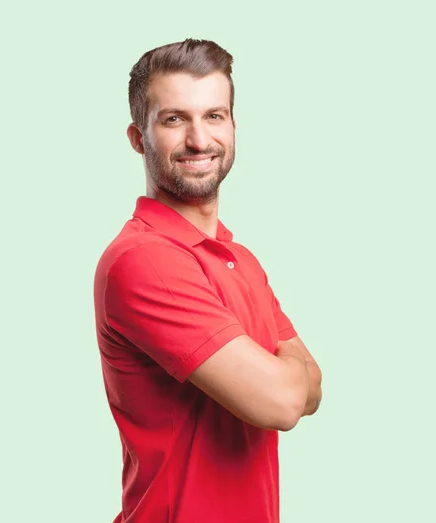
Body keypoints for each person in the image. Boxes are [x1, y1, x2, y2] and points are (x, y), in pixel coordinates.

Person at [93, 38, 322, 523]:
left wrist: (289, 379)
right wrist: (284, 371)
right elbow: (285, 402)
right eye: (175, 119)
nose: (200, 140)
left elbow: (315, 390)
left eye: (214, 116)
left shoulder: (240, 258)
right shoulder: (144, 260)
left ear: (233, 126)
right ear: (138, 138)